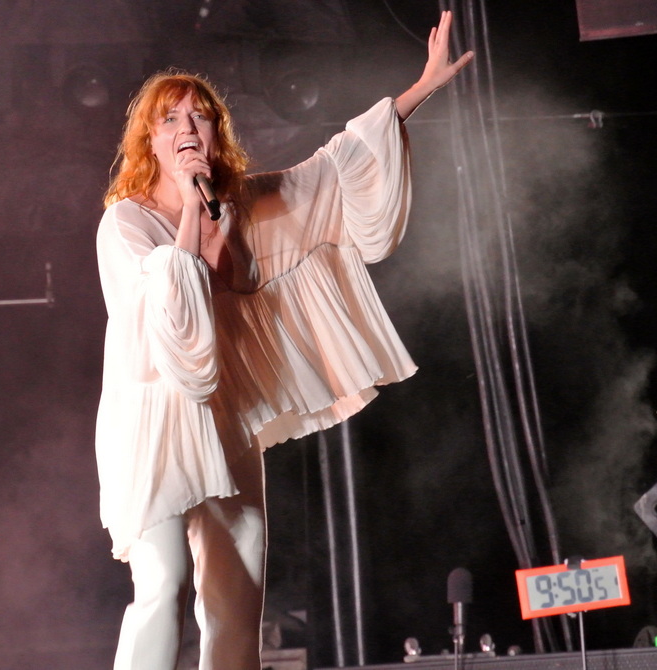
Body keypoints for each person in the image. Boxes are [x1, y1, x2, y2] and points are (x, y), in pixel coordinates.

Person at [94, 11, 473, 670]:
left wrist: (420, 90)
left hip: (224, 420)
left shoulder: (244, 208)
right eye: (170, 119)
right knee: (165, 581)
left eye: (200, 116)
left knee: (237, 593)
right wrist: (189, 209)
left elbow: (333, 170)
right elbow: (169, 315)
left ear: (218, 134)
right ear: (148, 143)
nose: (188, 128)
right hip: (151, 422)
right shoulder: (125, 222)